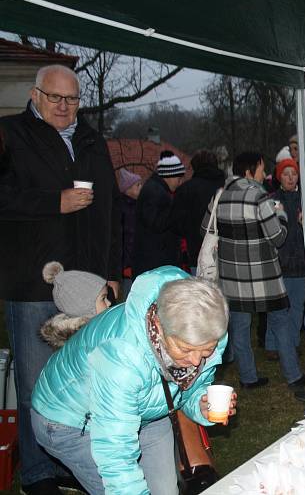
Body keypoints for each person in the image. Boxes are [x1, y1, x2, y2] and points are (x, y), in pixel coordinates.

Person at [0, 64, 121, 494]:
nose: (64, 106)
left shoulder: (90, 140)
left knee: (79, 379)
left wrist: (111, 270)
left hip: (87, 283)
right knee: (35, 381)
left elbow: (110, 209)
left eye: (71, 99)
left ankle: (69, 459)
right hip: (32, 281)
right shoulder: (10, 134)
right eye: (55, 97)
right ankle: (38, 472)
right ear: (35, 96)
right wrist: (55, 202)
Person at [31, 267, 234, 495]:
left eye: (206, 350)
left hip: (147, 407)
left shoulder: (208, 329)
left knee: (165, 490)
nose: (197, 361)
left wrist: (200, 403)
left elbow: (189, 387)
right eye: (186, 349)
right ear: (158, 325)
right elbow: (115, 453)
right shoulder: (122, 357)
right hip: (72, 421)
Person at [203, 151, 287, 389]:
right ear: (250, 171)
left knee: (239, 328)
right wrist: (281, 213)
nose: (264, 173)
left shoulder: (220, 195)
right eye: (261, 168)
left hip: (230, 275)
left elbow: (205, 230)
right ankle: (292, 374)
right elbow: (278, 237)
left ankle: (248, 377)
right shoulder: (259, 197)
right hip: (262, 275)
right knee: (280, 320)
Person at [266, 156, 305, 401]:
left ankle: (290, 345)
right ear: (278, 176)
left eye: (293, 174)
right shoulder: (272, 200)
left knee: (296, 308)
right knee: (278, 311)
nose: (290, 178)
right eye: (285, 174)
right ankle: (274, 347)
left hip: (300, 264)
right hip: (280, 264)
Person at [133, 151, 185, 278]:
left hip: (155, 263)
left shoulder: (156, 189)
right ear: (170, 176)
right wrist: (177, 209)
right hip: (154, 264)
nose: (180, 183)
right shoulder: (155, 192)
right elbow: (156, 224)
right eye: (178, 178)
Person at [172, 150, 226, 272]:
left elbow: (177, 225)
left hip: (197, 253)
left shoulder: (185, 190)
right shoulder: (228, 187)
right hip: (226, 254)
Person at [39, 261, 113, 348]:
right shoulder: (83, 344)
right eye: (103, 298)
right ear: (84, 307)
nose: (109, 303)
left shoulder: (89, 335)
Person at [117, 168, 143, 298]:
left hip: (136, 260)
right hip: (128, 263)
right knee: (129, 296)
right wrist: (126, 263)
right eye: (137, 185)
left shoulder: (137, 205)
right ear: (128, 188)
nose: (141, 188)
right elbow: (125, 238)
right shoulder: (123, 208)